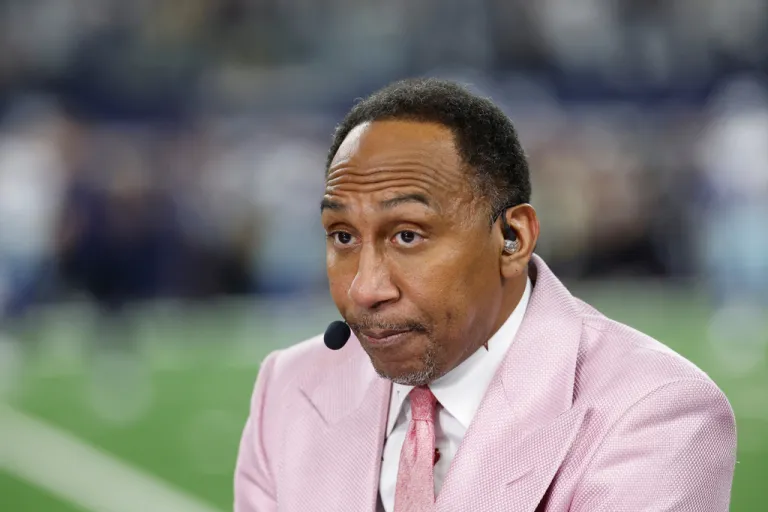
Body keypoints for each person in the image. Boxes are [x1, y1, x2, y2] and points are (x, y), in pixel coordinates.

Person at [234, 79, 736, 512]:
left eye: (408, 235)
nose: (365, 288)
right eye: (342, 236)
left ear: (512, 238)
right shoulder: (289, 389)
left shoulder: (656, 412)